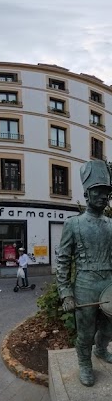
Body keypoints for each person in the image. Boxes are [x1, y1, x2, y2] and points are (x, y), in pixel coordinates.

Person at [57, 160, 112, 386]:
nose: (103, 197)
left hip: (109, 281)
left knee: (109, 327)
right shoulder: (74, 224)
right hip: (85, 283)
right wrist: (66, 293)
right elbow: (63, 260)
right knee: (86, 330)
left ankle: (101, 350)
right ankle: (85, 364)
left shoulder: (111, 224)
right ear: (87, 194)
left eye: (107, 193)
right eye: (98, 191)